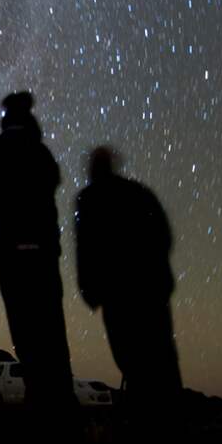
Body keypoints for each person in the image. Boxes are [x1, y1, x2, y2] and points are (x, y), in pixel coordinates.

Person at [0, 91, 79, 421]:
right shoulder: (42, 153)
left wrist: (3, 207)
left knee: (27, 339)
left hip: (14, 256)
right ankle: (63, 419)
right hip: (44, 257)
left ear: (5, 119)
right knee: (53, 339)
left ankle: (42, 417)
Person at [73, 145, 182, 415]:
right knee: (163, 362)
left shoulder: (88, 200)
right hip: (152, 294)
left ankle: (143, 424)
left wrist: (91, 291)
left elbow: (85, 249)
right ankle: (172, 425)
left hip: (117, 297)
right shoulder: (139, 193)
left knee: (132, 363)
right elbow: (163, 236)